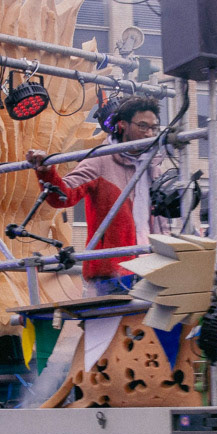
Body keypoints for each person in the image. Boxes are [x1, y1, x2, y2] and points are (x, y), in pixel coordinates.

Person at [26, 96, 168, 297]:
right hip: (111, 275)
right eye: (142, 126)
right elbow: (63, 196)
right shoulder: (100, 160)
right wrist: (46, 172)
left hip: (152, 270)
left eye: (154, 128)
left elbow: (162, 221)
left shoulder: (153, 168)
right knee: (112, 318)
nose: (149, 134)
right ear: (122, 125)